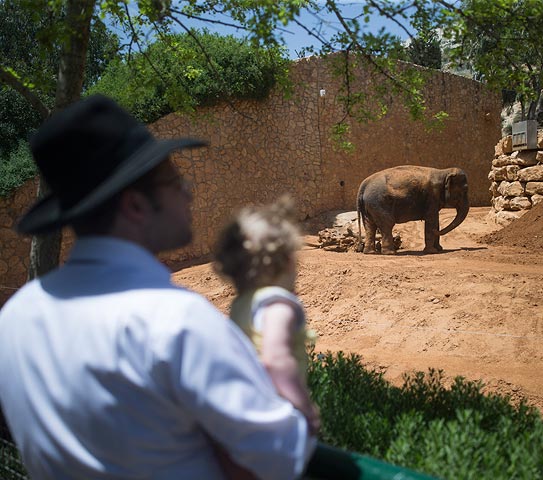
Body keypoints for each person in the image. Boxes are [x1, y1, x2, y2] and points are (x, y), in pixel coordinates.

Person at [0, 95, 314, 479]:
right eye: (174, 181)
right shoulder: (176, 323)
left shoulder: (14, 318)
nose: (188, 190)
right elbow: (280, 454)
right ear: (134, 205)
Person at [212, 196, 321, 436]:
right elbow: (275, 359)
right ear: (288, 262)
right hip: (274, 416)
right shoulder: (278, 305)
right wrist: (304, 407)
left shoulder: (241, 304)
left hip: (244, 412)